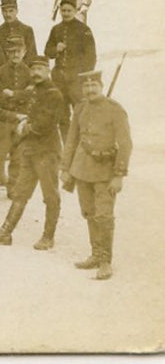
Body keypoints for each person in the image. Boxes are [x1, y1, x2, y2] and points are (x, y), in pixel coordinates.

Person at [0, 54, 69, 250]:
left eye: (40, 69)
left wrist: (25, 127)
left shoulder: (54, 94)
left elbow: (45, 124)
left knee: (50, 195)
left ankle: (48, 236)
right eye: (33, 69)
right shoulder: (35, 91)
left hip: (47, 152)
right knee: (21, 193)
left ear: (47, 71)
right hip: (30, 151)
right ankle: (5, 233)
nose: (36, 73)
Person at [62, 68, 131, 280]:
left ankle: (105, 262)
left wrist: (119, 175)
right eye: (86, 86)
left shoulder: (115, 109)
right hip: (82, 170)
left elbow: (125, 143)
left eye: (94, 86)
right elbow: (71, 140)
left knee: (104, 216)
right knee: (89, 213)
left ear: (101, 87)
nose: (90, 89)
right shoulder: (80, 108)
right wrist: (65, 169)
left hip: (105, 171)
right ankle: (95, 254)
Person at [0, 33, 31, 204]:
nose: (15, 55)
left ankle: (13, 189)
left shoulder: (30, 73)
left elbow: (33, 96)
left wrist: (14, 95)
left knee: (18, 157)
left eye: (18, 51)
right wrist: (21, 97)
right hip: (3, 121)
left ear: (24, 51)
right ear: (7, 53)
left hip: (22, 122)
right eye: (11, 52)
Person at [45, 0, 96, 108]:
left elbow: (91, 57)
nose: (66, 13)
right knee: (61, 112)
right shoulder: (56, 29)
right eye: (63, 10)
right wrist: (55, 49)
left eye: (69, 11)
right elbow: (47, 52)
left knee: (80, 111)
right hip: (59, 79)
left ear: (75, 11)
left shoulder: (84, 30)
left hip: (76, 80)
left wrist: (84, 78)